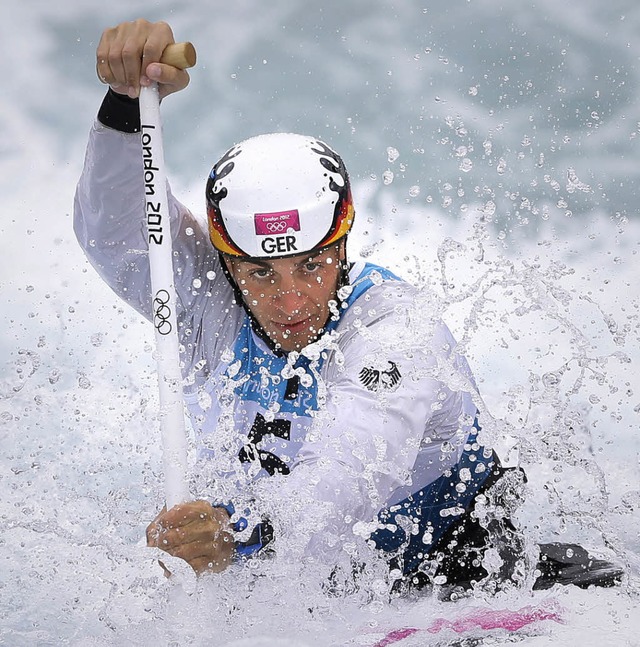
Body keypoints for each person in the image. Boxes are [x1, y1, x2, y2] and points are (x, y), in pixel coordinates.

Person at [75, 19, 620, 595]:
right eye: (260, 272)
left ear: (342, 243)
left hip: (458, 579)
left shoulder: (399, 332)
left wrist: (235, 536)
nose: (289, 300)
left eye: (312, 265)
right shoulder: (210, 302)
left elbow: (340, 485)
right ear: (227, 262)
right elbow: (116, 235)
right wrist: (125, 104)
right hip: (292, 581)